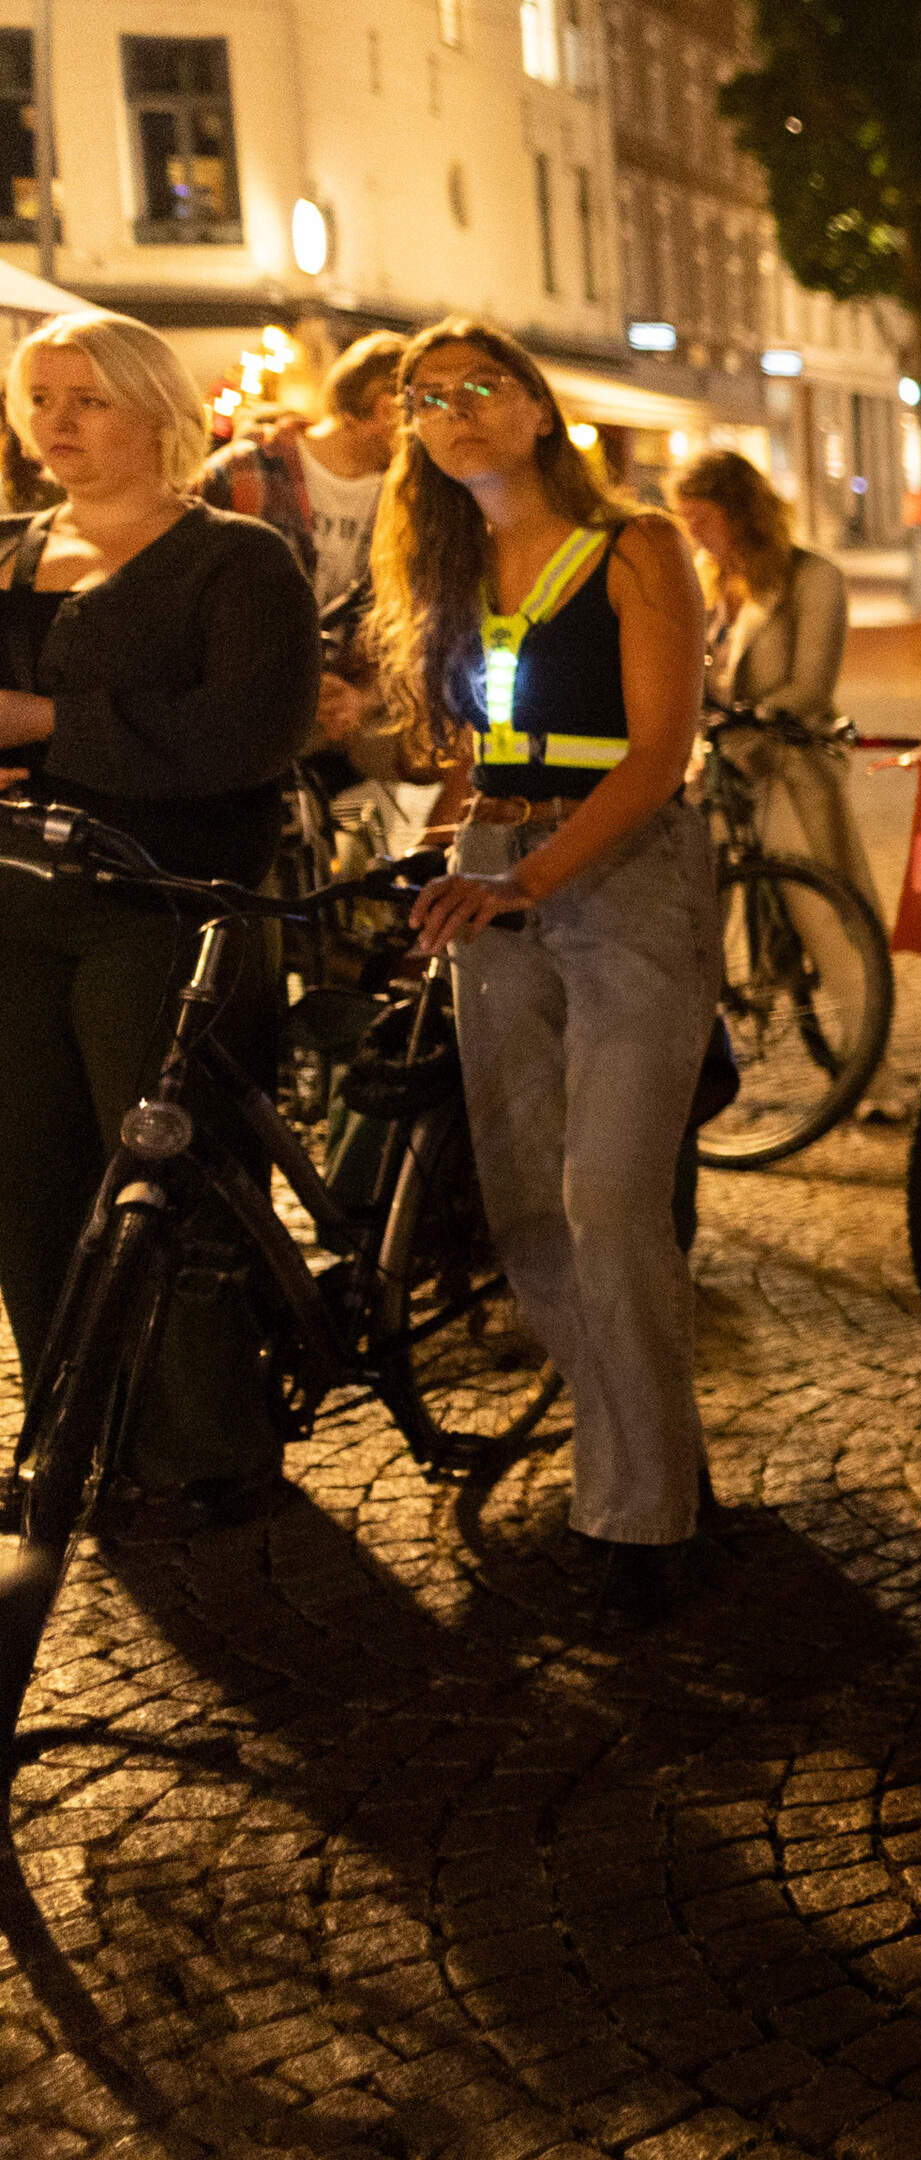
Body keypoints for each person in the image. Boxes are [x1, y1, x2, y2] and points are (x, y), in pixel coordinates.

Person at [373, 320, 718, 1625]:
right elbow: (480, 748)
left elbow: (655, 762)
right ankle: (646, 1453)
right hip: (496, 874)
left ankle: (642, 1520)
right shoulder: (446, 563)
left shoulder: (636, 549)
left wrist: (527, 875)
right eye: (426, 400)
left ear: (535, 407)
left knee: (610, 1194)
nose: (453, 412)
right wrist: (444, 840)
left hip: (620, 879)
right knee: (525, 1206)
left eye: (479, 388)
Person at [0, 311, 320, 1528]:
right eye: (40, 399)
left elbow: (246, 738)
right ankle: (71, 1438)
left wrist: (43, 726)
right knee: (28, 1185)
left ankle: (203, 1448)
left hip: (167, 911)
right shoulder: (10, 552)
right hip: (11, 904)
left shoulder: (239, 562)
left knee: (166, 1178)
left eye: (87, 399)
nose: (57, 425)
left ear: (156, 412)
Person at [667, 449, 879, 1059]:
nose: (694, 536)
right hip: (717, 773)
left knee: (825, 921)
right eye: (686, 522)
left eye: (703, 520)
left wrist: (750, 723)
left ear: (741, 513)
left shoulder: (813, 579)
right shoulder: (709, 579)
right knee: (689, 917)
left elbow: (810, 686)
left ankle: (873, 1069)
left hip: (783, 769)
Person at [201, 332, 413, 838]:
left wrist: (361, 698)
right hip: (236, 741)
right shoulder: (243, 471)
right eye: (425, 407)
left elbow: (416, 623)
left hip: (338, 749)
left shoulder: (410, 502)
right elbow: (182, 604)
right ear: (387, 410)